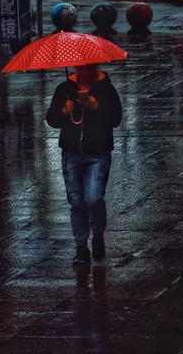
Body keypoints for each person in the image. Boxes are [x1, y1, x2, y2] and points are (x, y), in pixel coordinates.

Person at [46, 63, 122, 265]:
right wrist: (64, 110)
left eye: (89, 69)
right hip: (71, 154)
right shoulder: (64, 88)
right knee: (77, 202)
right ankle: (81, 248)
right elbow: (51, 119)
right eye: (81, 69)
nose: (85, 73)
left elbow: (116, 118)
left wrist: (96, 107)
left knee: (94, 198)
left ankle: (97, 234)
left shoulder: (106, 88)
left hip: (98, 154)